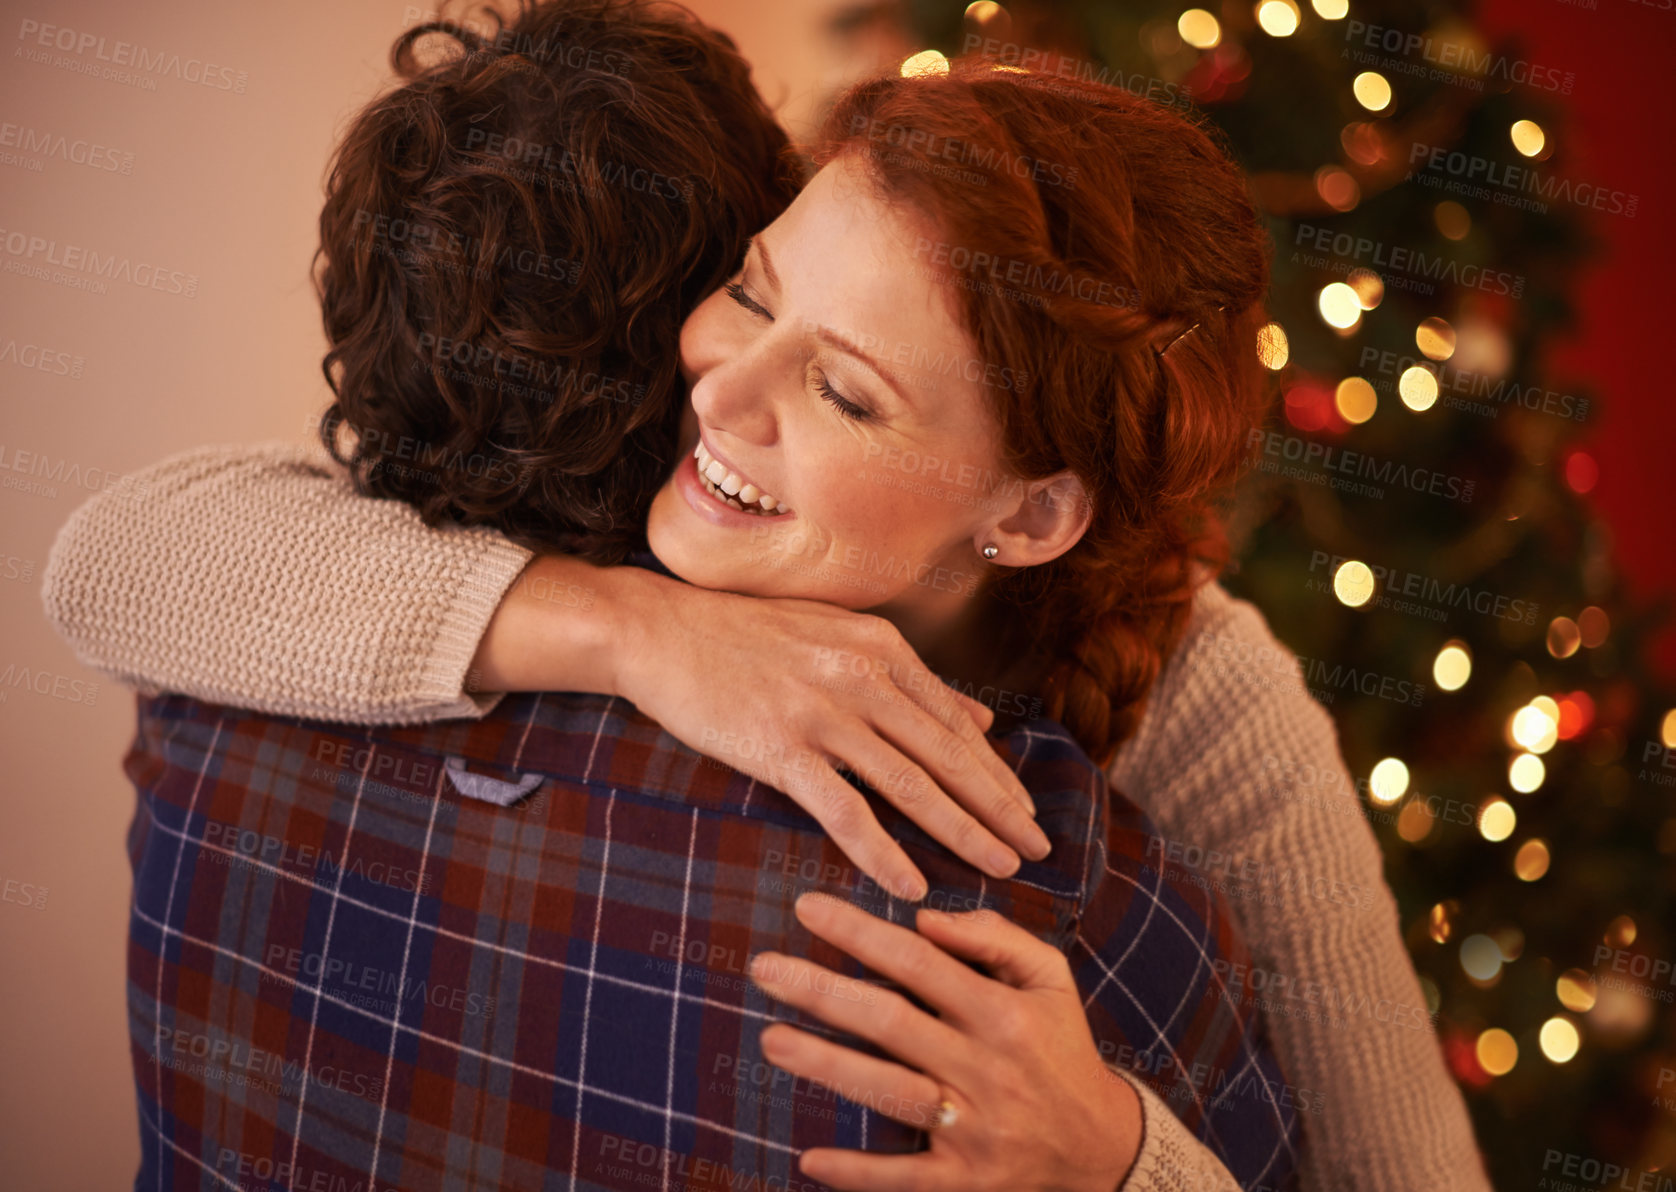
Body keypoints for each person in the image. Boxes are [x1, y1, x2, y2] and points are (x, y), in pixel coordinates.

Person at [42, 7, 1493, 1192]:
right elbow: (109, 564)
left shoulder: (1203, 696)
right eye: (751, 289)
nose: (718, 392)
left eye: (845, 390)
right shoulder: (618, 496)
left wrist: (1118, 1160)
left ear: (1031, 513)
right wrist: (635, 632)